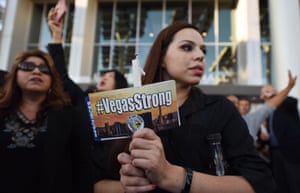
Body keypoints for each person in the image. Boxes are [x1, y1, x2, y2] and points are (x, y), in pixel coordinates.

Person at [94, 21, 276, 193]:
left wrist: (172, 176)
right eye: (187, 47)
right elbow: (95, 183)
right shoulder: (124, 111)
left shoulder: (220, 109)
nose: (200, 56)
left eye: (203, 50)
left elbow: (259, 184)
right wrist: (127, 186)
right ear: (162, 58)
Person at [47, 7, 129, 193]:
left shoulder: (127, 107)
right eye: (104, 74)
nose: (105, 77)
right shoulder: (84, 99)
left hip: (116, 177)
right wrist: (57, 35)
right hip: (80, 176)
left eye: (110, 76)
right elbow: (61, 77)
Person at [0, 49, 93, 193]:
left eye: (44, 69)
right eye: (27, 67)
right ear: (14, 76)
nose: (36, 72)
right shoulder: (2, 111)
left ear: (52, 80)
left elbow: (82, 167)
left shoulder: (70, 117)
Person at [261, 84, 300, 193]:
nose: (267, 93)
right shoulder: (267, 110)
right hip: (274, 153)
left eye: (269, 90)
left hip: (290, 152)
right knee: (280, 184)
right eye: (264, 91)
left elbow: (293, 102)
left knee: (294, 183)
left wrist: (279, 95)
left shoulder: (287, 104)